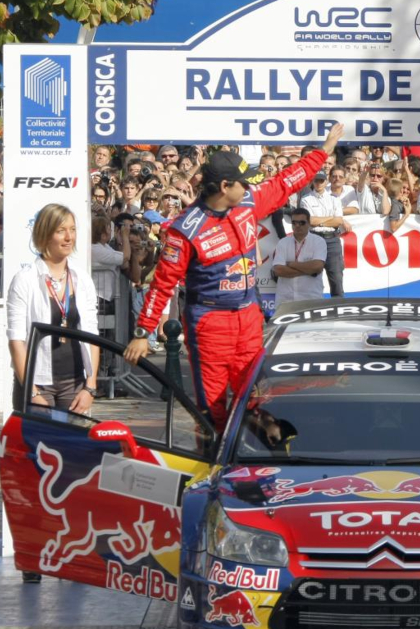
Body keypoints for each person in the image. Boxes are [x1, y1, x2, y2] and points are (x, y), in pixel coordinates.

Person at [124, 122, 344, 428]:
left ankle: (258, 464)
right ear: (225, 187)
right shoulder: (185, 229)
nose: (249, 187)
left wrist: (325, 149)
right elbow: (162, 284)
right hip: (209, 323)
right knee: (212, 410)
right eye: (243, 182)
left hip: (248, 316)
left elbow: (287, 181)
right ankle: (213, 465)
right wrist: (141, 333)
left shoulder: (249, 202)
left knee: (256, 398)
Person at [6, 204, 100, 413]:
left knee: (72, 445)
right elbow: (16, 340)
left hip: (75, 382)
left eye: (72, 229)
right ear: (45, 235)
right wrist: (32, 391)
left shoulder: (81, 279)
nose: (69, 237)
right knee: (37, 445)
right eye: (61, 231)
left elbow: (92, 335)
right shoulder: (25, 279)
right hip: (38, 382)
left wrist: (90, 386)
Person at [300, 161, 355, 297]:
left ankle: (339, 310)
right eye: (317, 180)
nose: (319, 183)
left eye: (321, 180)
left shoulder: (334, 199)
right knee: (312, 279)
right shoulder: (306, 199)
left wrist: (321, 220)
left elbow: (337, 221)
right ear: (313, 181)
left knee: (336, 278)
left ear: (326, 182)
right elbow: (311, 221)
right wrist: (329, 218)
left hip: (332, 240)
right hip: (314, 239)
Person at [270, 208, 328, 305]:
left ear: (309, 223)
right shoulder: (283, 243)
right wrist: (308, 270)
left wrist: (292, 264)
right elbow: (278, 270)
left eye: (302, 223)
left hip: (311, 299)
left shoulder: (319, 241)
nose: (297, 226)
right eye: (294, 223)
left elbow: (317, 267)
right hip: (285, 300)